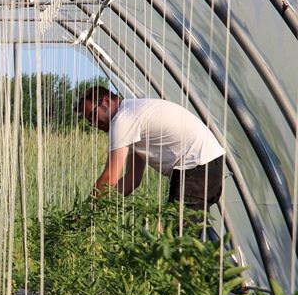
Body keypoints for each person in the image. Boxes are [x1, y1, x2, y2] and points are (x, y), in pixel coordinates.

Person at [75, 86, 225, 211]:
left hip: (195, 168)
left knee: (177, 238)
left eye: (94, 115)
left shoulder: (123, 120)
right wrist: (102, 205)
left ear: (106, 101)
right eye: (90, 121)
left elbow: (110, 178)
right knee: (189, 235)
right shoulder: (133, 117)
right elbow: (131, 181)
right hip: (207, 166)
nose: (94, 124)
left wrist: (85, 210)